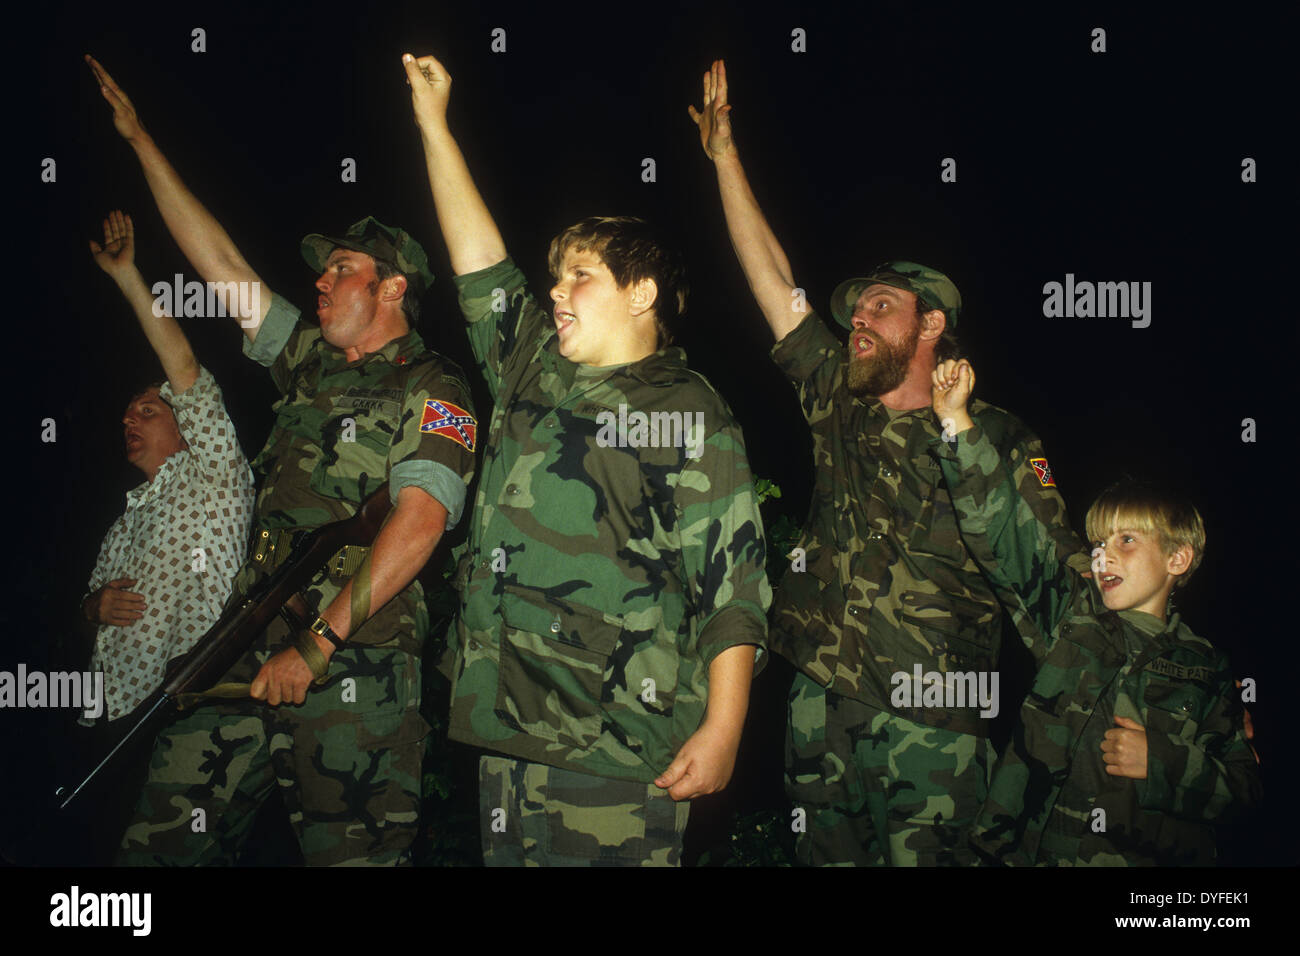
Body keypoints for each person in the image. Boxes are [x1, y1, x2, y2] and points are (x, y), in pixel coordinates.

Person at [86, 55, 477, 866]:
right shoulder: (307, 358)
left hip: (354, 666)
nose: (322, 281)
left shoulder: (435, 385)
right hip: (244, 643)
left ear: (394, 288)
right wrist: (140, 138)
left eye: (343, 269)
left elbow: (422, 519)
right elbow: (221, 265)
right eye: (323, 269)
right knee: (151, 852)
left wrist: (322, 643)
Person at [690, 59, 1067, 865]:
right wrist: (726, 157)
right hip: (817, 709)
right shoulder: (839, 401)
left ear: (929, 326)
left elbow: (1048, 575)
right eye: (855, 308)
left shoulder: (999, 436)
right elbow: (777, 285)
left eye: (879, 307)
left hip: (929, 725)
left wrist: (1119, 690)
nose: (857, 317)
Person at [404, 52, 770, 866]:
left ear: (642, 294)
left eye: (580, 276)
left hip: (618, 748)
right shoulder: (532, 366)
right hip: (504, 729)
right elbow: (478, 263)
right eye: (554, 278)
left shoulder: (689, 407)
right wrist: (434, 123)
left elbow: (733, 583)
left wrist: (725, 725)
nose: (556, 293)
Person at [930, 358, 1262, 864]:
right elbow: (1005, 533)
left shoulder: (1208, 667)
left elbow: (1245, 791)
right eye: (1098, 542)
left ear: (1178, 558)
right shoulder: (1071, 618)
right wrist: (956, 422)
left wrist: (1162, 763)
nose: (1104, 555)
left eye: (1126, 540)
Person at [83, 209, 255, 724]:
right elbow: (89, 604)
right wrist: (95, 607)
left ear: (185, 424)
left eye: (147, 411)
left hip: (190, 705)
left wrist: (127, 276)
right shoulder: (127, 517)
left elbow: (183, 370)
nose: (128, 420)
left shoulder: (214, 476)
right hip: (111, 717)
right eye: (128, 413)